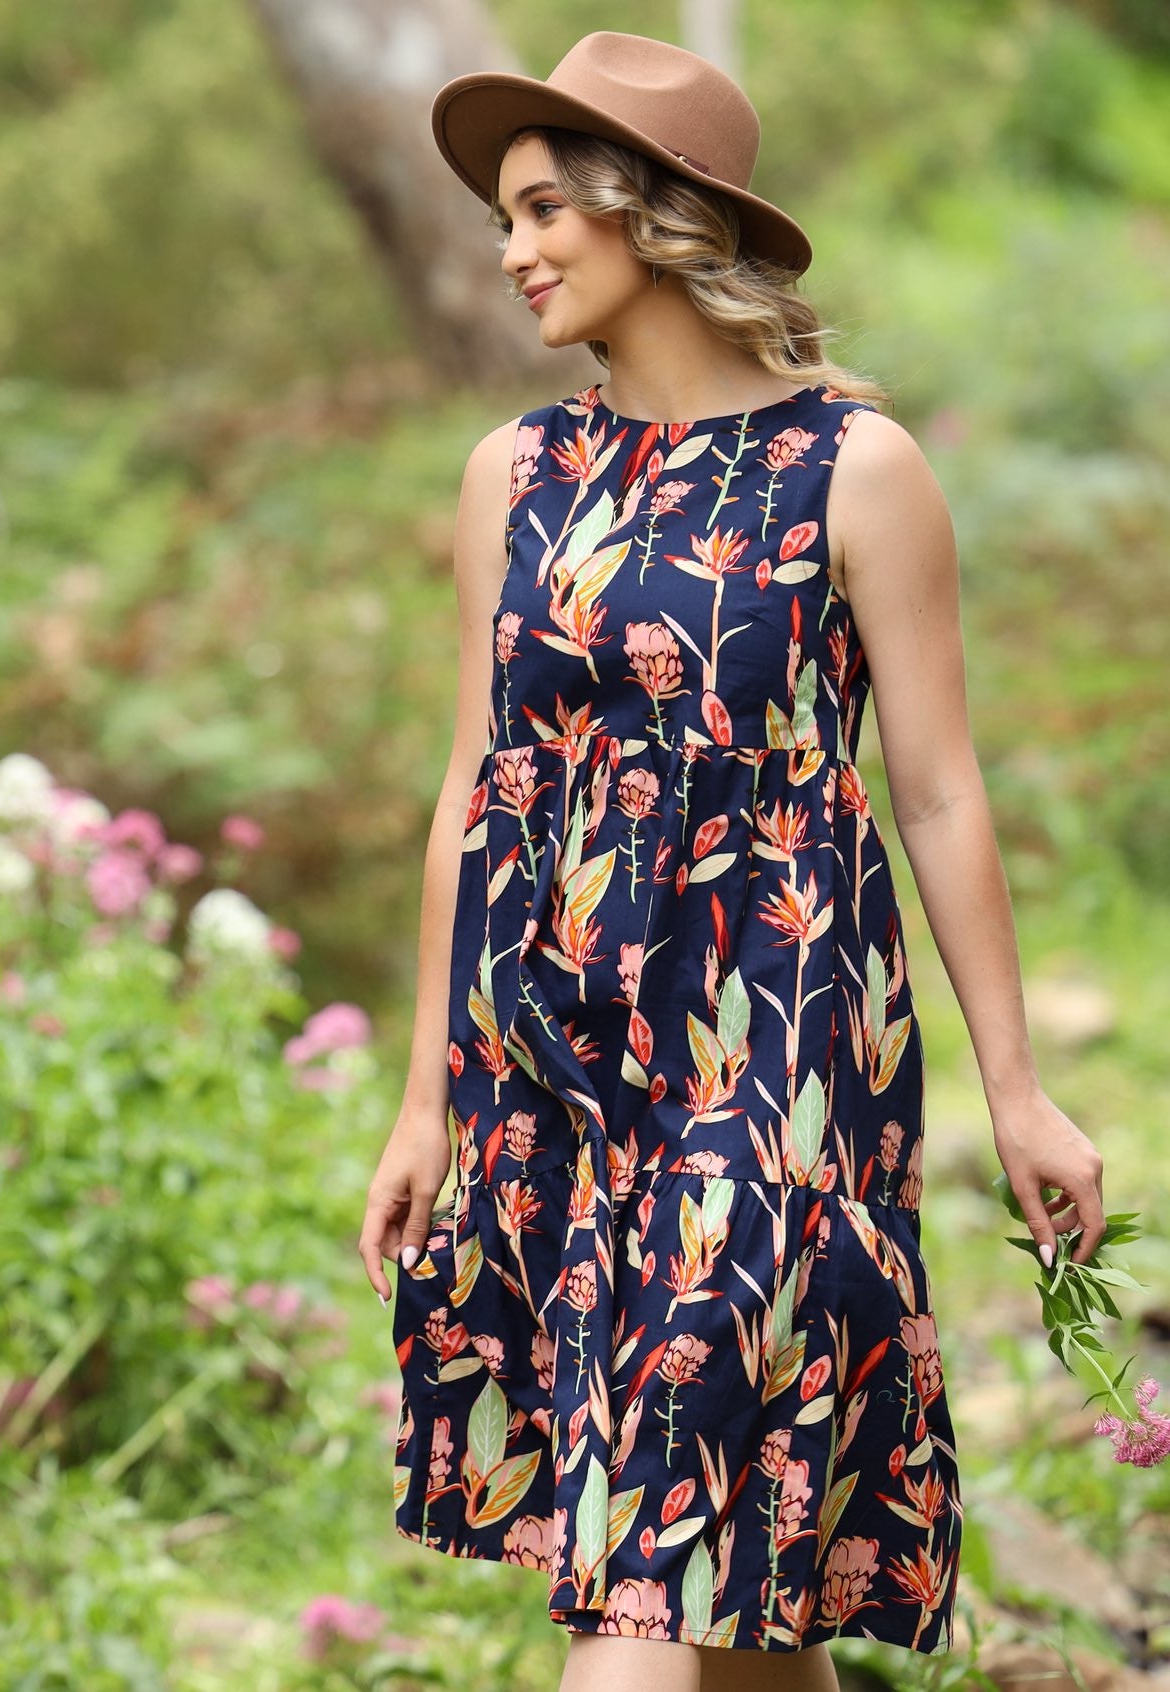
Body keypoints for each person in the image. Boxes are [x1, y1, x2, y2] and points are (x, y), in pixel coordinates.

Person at [359, 30, 1106, 1692]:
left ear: (656, 212)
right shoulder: (513, 476)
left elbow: (938, 798)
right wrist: (425, 1098)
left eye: (545, 207)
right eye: (506, 215)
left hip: (778, 1061)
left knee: (651, 1575)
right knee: (737, 1591)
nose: (512, 250)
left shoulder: (856, 470)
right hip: (556, 1059)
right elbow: (471, 791)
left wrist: (1021, 1087)